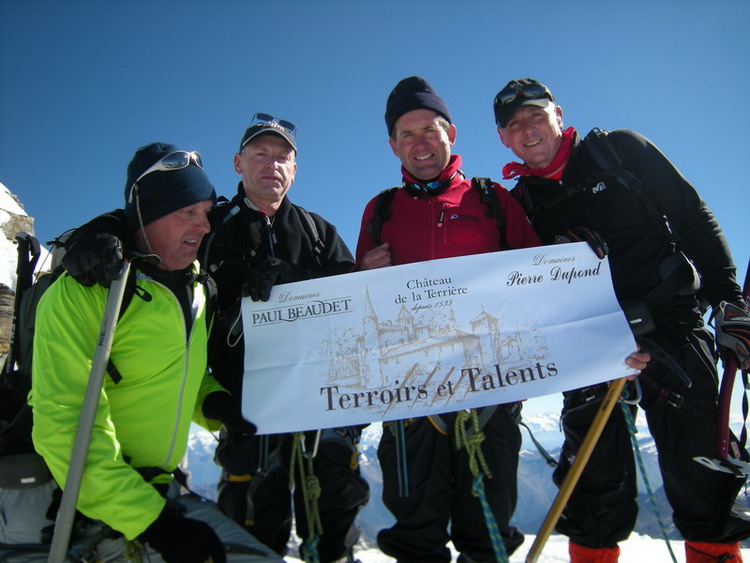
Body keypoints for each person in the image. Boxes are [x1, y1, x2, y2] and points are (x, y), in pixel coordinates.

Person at [60, 118, 369, 563]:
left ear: (295, 168)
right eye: (260, 155)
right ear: (238, 164)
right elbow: (146, 223)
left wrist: (323, 280)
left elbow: (351, 307)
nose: (272, 165)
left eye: (282, 156)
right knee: (252, 523)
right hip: (241, 402)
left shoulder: (318, 232)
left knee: (333, 518)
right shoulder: (210, 223)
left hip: (321, 402)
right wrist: (97, 234)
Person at [493, 78, 750, 563]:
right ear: (503, 139)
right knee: (593, 483)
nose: (527, 129)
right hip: (591, 342)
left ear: (559, 115)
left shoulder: (620, 152)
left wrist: (729, 300)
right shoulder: (522, 204)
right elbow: (521, 289)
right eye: (512, 125)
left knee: (701, 470)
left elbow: (692, 216)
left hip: (671, 320)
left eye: (535, 115)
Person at [28, 143, 283, 562]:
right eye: (187, 212)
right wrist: (155, 523)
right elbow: (65, 428)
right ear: (145, 214)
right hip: (85, 502)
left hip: (156, 487)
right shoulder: (84, 294)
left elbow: (182, 371)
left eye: (205, 212)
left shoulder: (196, 286)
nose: (203, 226)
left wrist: (213, 402)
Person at [354, 76, 542, 562]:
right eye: (408, 133)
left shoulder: (492, 200)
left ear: (451, 133)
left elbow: (540, 285)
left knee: (488, 528)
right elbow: (360, 310)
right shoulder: (380, 211)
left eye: (431, 129)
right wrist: (362, 276)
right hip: (411, 402)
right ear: (393, 145)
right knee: (417, 531)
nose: (421, 142)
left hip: (492, 394)